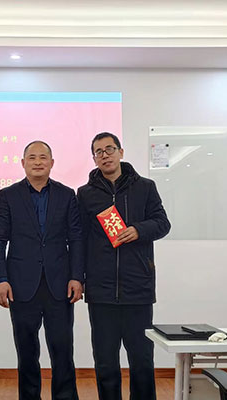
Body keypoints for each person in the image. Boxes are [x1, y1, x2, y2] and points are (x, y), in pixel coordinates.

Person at [77, 132, 171, 400]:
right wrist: (79, 278)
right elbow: (80, 239)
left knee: (142, 360)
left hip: (138, 288)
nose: (104, 155)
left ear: (121, 152)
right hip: (101, 291)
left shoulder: (145, 187)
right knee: (105, 361)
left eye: (109, 149)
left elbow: (163, 224)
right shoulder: (85, 194)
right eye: (98, 152)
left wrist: (139, 230)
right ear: (94, 158)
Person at [0, 140, 84, 400]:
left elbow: (76, 238)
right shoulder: (8, 195)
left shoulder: (67, 195)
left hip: (60, 285)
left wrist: (77, 276)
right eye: (32, 157)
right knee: (27, 352)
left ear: (52, 163)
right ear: (23, 163)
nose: (38, 162)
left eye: (43, 157)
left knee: (62, 350)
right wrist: (0, 278)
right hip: (21, 285)